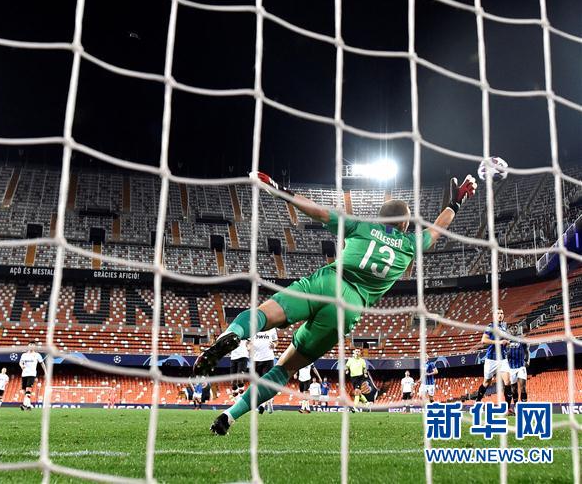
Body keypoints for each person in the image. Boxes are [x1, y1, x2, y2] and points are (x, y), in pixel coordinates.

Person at [194, 170, 477, 435]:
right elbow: (437, 230)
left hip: (327, 283)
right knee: (285, 368)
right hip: (348, 307)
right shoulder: (409, 245)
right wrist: (455, 203)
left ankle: (233, 334)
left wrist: (280, 191)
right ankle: (229, 416)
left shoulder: (362, 226)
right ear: (405, 224)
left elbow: (319, 211)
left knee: (262, 316)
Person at [473, 308, 512, 405]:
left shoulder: (504, 326)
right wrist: (499, 342)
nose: (500, 315)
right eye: (498, 313)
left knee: (508, 382)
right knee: (486, 382)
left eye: (502, 313)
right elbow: (484, 340)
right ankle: (478, 401)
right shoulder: (490, 326)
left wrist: (507, 343)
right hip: (491, 359)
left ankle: (508, 407)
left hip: (502, 359)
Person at [251, 328, 279, 414]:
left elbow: (276, 341)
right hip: (256, 360)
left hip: (268, 359)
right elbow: (248, 342)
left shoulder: (272, 329)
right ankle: (269, 401)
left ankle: (262, 405)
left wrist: (274, 345)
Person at [506, 328, 529, 413]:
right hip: (511, 368)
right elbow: (504, 354)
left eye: (515, 328)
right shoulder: (507, 342)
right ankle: (516, 405)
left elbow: (526, 351)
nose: (513, 330)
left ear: (517, 330)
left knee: (523, 387)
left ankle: (524, 407)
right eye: (512, 329)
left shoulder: (521, 340)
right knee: (513, 389)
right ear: (509, 331)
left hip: (521, 366)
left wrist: (527, 360)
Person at [18, 344, 44, 411]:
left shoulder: (37, 355)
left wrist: (46, 372)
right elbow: (20, 362)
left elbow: (42, 363)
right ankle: (28, 405)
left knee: (28, 390)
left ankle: (24, 405)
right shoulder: (24, 355)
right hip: (24, 374)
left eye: (33, 345)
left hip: (32, 374)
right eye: (30, 345)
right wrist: (22, 366)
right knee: (25, 391)